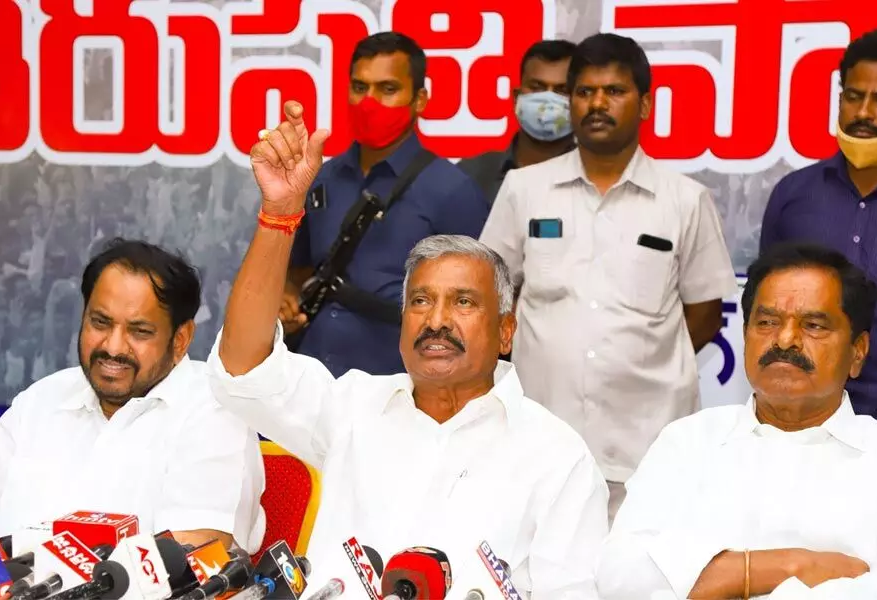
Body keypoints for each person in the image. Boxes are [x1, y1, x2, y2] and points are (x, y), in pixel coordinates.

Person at [207, 100, 608, 598]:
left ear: (506, 332)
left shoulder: (556, 456)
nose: (436, 320)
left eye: (463, 302)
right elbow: (244, 366)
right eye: (420, 300)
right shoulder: (352, 407)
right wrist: (280, 216)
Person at [478, 33, 735, 520]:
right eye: (585, 92)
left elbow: (704, 313)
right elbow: (489, 292)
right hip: (538, 440)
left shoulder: (685, 199)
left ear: (644, 104)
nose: (597, 103)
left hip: (646, 447)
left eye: (614, 92)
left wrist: (636, 361)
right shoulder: (524, 189)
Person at [595, 242, 877, 599]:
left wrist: (710, 578)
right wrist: (790, 567)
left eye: (814, 325)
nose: (785, 339)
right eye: (767, 322)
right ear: (745, 336)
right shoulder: (687, 441)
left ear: (858, 351)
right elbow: (619, 577)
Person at [0, 239, 265, 552]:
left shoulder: (214, 414)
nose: (112, 346)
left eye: (139, 331)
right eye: (100, 322)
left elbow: (189, 564)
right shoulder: (42, 400)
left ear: (180, 339)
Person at [760, 29, 877, 443]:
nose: (864, 111)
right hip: (796, 432)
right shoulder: (793, 195)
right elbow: (764, 314)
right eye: (853, 96)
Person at [281, 32, 488, 378]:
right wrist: (285, 299)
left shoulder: (453, 191)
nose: (369, 102)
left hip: (402, 390)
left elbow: (478, 306)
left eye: (388, 89)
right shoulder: (321, 177)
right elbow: (297, 270)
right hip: (311, 380)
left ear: (419, 99)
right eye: (360, 88)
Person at [457, 39, 577, 203]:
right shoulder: (470, 175)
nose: (548, 100)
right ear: (516, 98)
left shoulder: (597, 177)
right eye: (537, 87)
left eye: (562, 91)